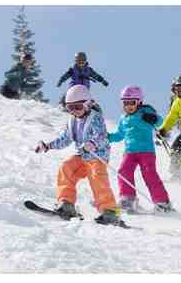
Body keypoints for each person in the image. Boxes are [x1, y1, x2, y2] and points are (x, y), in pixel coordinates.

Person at [34, 85, 121, 225]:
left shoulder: (95, 118)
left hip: (97, 156)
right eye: (70, 108)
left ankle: (110, 211)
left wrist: (92, 143)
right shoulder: (72, 120)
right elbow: (65, 139)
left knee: (97, 178)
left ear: (88, 104)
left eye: (78, 107)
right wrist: (48, 146)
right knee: (66, 167)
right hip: (82, 155)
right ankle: (66, 204)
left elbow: (101, 135)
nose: (74, 111)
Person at [108, 85, 173, 214]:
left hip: (146, 151)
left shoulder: (145, 112)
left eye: (132, 103)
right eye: (125, 103)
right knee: (123, 172)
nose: (128, 106)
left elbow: (159, 121)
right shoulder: (124, 118)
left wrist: (153, 118)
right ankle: (127, 199)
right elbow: (120, 135)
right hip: (129, 152)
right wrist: (108, 137)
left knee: (149, 174)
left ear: (139, 102)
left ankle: (162, 202)